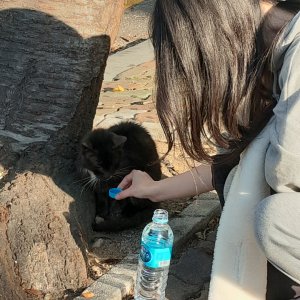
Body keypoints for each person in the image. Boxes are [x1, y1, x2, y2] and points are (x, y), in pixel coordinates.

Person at [116, 0, 300, 299]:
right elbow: (236, 168)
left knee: (275, 218)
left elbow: (282, 172)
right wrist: (155, 189)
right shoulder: (280, 49)